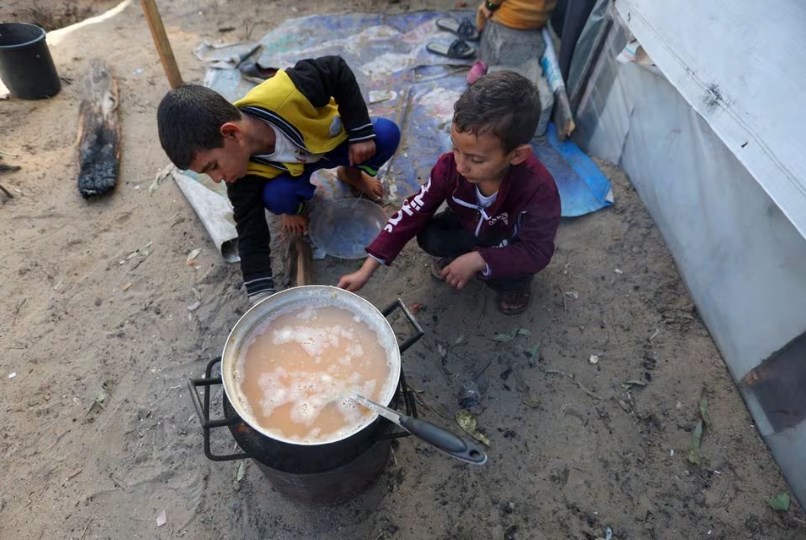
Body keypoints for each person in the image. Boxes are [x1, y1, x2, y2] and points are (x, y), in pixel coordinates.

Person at [157, 56, 400, 304]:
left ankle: (350, 173)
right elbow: (250, 231)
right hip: (293, 172)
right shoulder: (240, 178)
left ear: (232, 133)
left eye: (213, 166)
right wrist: (261, 296)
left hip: (329, 143)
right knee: (278, 197)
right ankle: (295, 208)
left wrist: (360, 133)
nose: (217, 179)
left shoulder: (290, 92)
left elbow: (336, 69)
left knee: (385, 134)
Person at [337, 70, 560, 316]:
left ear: (517, 155)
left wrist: (481, 259)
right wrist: (366, 269)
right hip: (467, 225)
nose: (461, 166)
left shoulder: (538, 190)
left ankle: (514, 286)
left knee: (508, 276)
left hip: (506, 242)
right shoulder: (449, 167)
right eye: (456, 149)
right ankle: (462, 256)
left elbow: (537, 251)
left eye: (476, 159)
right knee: (430, 235)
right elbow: (414, 210)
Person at [468, 0, 557, 84]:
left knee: (485, 15)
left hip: (508, 20)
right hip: (537, 21)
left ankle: (484, 62)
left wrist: (488, 6)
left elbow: (492, 3)